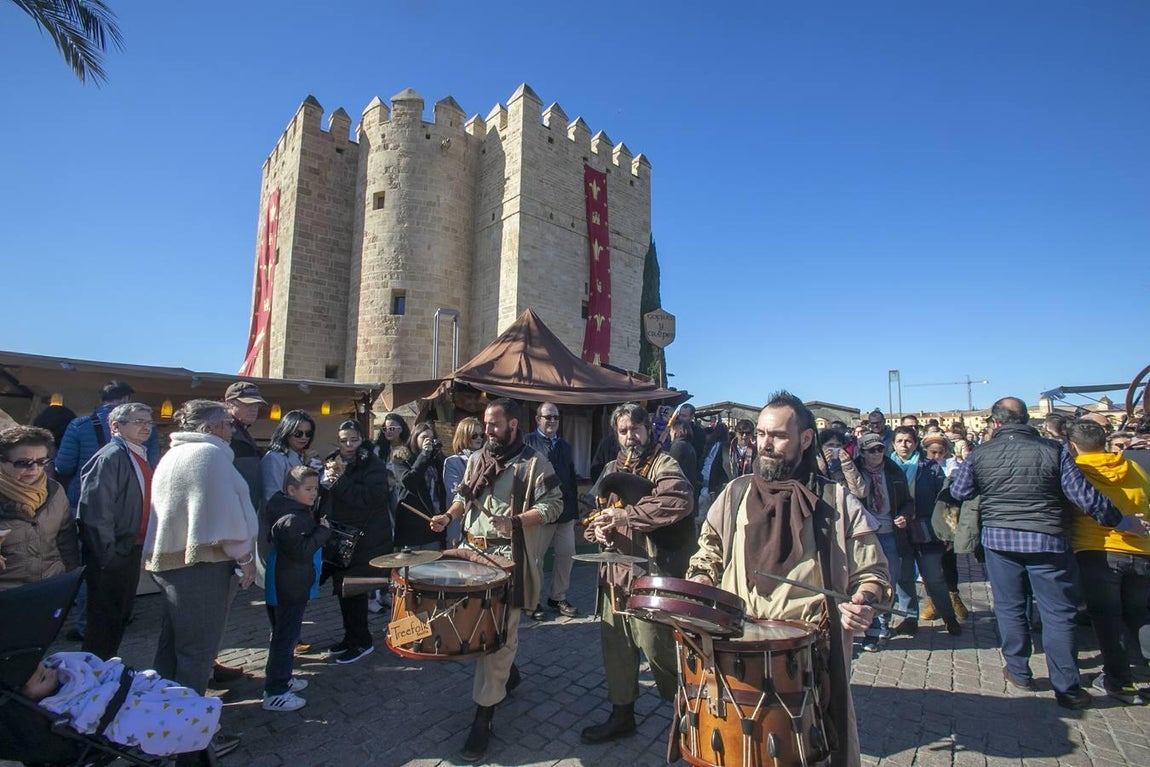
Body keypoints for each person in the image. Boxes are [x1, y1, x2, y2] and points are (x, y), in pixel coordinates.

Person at [686, 392, 890, 767]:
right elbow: (708, 550)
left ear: (806, 439)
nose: (765, 443)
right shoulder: (734, 494)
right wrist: (700, 580)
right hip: (737, 650)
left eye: (778, 435)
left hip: (810, 656)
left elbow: (873, 571)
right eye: (762, 434)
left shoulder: (837, 501)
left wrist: (865, 599)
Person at [946, 397, 1149, 710]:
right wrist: (1124, 522)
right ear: (1027, 419)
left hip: (1000, 540)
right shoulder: (1053, 451)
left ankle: (1019, 672)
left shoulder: (980, 454)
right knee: (1058, 613)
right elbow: (1086, 499)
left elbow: (959, 492)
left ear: (996, 423)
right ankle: (1067, 688)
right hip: (1048, 540)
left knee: (1010, 607)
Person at [429, 398, 562, 764]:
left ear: (514, 425)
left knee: (499, 637)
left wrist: (517, 521)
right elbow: (464, 497)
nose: (486, 430)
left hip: (509, 562)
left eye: (493, 424)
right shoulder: (477, 459)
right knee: (475, 629)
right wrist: (447, 516)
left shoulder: (535, 464)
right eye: (485, 424)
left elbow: (555, 505)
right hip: (471, 555)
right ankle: (509, 674)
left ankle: (483, 717)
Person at [580, 403, 695, 746]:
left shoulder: (664, 464)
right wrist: (597, 530)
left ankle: (690, 714)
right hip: (613, 576)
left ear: (648, 428)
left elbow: (679, 500)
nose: (632, 437)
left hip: (652, 575)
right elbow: (591, 514)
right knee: (616, 648)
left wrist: (626, 517)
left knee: (658, 649)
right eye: (624, 431)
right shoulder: (611, 468)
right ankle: (622, 715)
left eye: (637, 429)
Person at [144, 400, 259, 695]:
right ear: (209, 428)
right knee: (198, 651)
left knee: (173, 647)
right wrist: (245, 557)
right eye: (227, 423)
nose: (232, 429)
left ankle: (160, 718)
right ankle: (189, 734)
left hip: (174, 564)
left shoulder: (174, 454)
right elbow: (225, 515)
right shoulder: (208, 455)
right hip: (201, 567)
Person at [1066, 419, 1150, 704]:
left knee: (1106, 618)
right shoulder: (1133, 467)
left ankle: (1120, 681)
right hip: (1140, 550)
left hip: (1097, 551)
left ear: (1073, 445)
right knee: (1140, 615)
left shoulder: (1076, 470)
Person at [21, 651, 221, 757]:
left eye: (45, 668)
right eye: (42, 679)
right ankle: (197, 725)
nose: (50, 672)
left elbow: (92, 668)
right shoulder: (53, 706)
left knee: (165, 692)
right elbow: (85, 714)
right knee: (153, 714)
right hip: (111, 709)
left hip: (116, 689)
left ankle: (194, 720)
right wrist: (106, 692)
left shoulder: (63, 670)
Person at [76, 402, 155, 659]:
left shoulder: (136, 454)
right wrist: (108, 555)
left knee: (119, 618)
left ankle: (107, 669)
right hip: (113, 553)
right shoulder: (111, 456)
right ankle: (94, 674)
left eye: (148, 421)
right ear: (116, 426)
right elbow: (95, 511)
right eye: (138, 421)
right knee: (104, 622)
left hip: (130, 548)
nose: (145, 426)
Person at [320, 419, 392, 665]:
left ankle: (362, 642)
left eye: (353, 439)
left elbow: (370, 498)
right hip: (340, 537)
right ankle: (350, 638)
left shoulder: (372, 463)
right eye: (343, 440)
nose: (348, 445)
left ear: (362, 438)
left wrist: (340, 482)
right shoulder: (332, 460)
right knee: (342, 590)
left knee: (355, 591)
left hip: (365, 537)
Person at [262, 465, 330, 712]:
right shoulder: (292, 517)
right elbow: (301, 551)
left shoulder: (295, 511)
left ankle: (283, 678)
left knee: (286, 636)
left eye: (316, 489)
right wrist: (323, 532)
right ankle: (275, 692)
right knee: (285, 638)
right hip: (287, 586)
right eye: (308, 489)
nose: (313, 494)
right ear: (291, 490)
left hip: (290, 584)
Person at [886, 427, 959, 636]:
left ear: (916, 444)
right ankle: (909, 618)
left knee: (933, 575)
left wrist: (947, 530)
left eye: (908, 441)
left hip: (926, 528)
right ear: (893, 444)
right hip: (899, 529)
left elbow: (943, 499)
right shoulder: (888, 468)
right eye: (899, 441)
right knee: (904, 576)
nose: (904, 445)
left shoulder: (929, 467)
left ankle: (948, 615)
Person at [0, 426, 79, 589]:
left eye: (41, 461)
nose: (34, 469)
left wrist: (69, 576)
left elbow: (66, 540)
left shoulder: (55, 490)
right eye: (23, 463)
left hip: (51, 586)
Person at [523, 402, 580, 620]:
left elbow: (571, 477)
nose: (553, 421)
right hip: (541, 511)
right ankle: (532, 601)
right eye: (548, 417)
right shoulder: (527, 442)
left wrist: (575, 509)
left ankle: (557, 597)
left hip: (565, 512)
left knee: (567, 555)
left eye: (556, 417)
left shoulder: (564, 445)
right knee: (536, 560)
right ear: (538, 419)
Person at [855, 431, 910, 651]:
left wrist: (905, 515)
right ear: (862, 453)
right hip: (865, 534)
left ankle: (884, 620)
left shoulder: (894, 471)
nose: (878, 454)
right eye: (872, 450)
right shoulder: (854, 472)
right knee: (867, 582)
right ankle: (872, 630)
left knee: (890, 580)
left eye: (880, 449)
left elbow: (907, 501)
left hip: (890, 532)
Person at [921, 434, 969, 621]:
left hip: (947, 521)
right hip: (926, 520)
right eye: (933, 452)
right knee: (929, 567)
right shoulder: (921, 467)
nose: (937, 456)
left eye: (941, 452)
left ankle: (954, 596)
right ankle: (933, 602)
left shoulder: (953, 467)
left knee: (948, 563)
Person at [391, 422, 446, 550]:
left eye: (431, 438)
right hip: (411, 524)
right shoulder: (402, 458)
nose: (428, 441)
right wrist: (424, 455)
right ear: (415, 438)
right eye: (424, 437)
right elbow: (409, 482)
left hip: (432, 522)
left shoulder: (437, 460)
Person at [260, 410, 321, 504]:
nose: (304, 437)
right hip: (282, 515)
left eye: (308, 433)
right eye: (298, 433)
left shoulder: (306, 457)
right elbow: (272, 496)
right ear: (286, 432)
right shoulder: (274, 458)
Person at [442, 417, 484, 547]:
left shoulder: (487, 461)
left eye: (482, 435)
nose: (479, 438)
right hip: (460, 527)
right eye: (474, 435)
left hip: (481, 526)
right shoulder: (453, 462)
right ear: (464, 436)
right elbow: (455, 493)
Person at [709, 418, 756, 496]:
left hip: (747, 492)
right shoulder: (725, 447)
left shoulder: (755, 450)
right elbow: (715, 467)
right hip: (726, 489)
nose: (744, 436)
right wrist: (712, 490)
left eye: (748, 433)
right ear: (736, 433)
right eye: (741, 433)